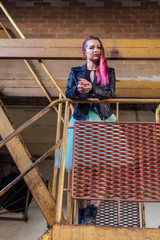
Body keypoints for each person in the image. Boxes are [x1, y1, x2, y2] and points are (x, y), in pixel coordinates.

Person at [56, 35, 116, 225]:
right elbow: (67, 93)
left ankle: (92, 213)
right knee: (79, 170)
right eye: (91, 48)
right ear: (84, 53)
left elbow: (110, 93)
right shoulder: (75, 71)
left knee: (101, 169)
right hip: (81, 121)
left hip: (103, 120)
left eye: (98, 47)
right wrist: (78, 90)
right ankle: (82, 214)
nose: (96, 50)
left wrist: (92, 89)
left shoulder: (109, 71)